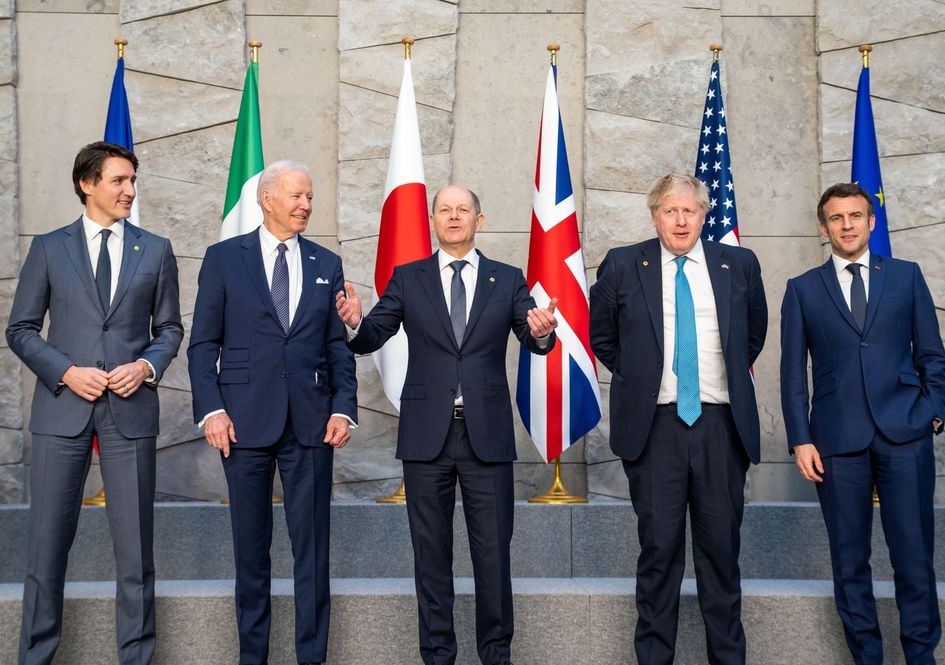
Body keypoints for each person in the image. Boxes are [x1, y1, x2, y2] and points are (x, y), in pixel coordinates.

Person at [335, 184, 557, 665]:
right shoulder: (408, 278)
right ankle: (437, 655)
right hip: (426, 436)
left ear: (480, 220)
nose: (453, 217)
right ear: (433, 221)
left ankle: (495, 654)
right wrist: (353, 321)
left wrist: (543, 333)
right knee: (430, 557)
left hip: (487, 438)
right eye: (444, 210)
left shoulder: (507, 278)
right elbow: (375, 332)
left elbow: (531, 333)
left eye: (463, 210)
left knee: (493, 557)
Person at [6, 141, 183, 665]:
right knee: (45, 550)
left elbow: (170, 328)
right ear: (88, 184)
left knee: (135, 556)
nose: (130, 190)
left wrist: (145, 366)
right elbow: (20, 329)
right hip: (62, 412)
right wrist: (64, 370)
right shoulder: (49, 248)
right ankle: (35, 657)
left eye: (133, 181)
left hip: (131, 413)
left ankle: (136, 657)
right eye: (119, 181)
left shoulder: (155, 249)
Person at [589, 172, 767, 665]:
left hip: (720, 428)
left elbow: (752, 335)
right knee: (659, 558)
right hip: (655, 431)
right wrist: (643, 376)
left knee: (721, 561)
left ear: (705, 215)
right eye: (671, 210)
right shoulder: (625, 264)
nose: (681, 219)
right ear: (655, 217)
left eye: (690, 210)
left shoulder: (738, 264)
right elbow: (601, 336)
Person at [187, 161, 357, 665]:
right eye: (296, 196)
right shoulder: (223, 260)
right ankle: (252, 657)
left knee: (312, 555)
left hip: (311, 425)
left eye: (309, 196)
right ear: (266, 199)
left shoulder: (327, 262)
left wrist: (344, 409)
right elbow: (202, 346)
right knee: (251, 554)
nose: (306, 204)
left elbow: (336, 347)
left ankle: (312, 657)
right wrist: (212, 410)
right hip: (241, 424)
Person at [780, 183, 945, 664]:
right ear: (824, 227)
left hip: (905, 434)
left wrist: (931, 413)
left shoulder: (906, 277)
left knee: (913, 557)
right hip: (836, 442)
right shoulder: (803, 289)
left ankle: (921, 656)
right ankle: (867, 658)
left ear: (872, 222)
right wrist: (800, 439)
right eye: (836, 218)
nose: (847, 225)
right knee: (850, 562)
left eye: (856, 216)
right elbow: (793, 374)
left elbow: (932, 356)